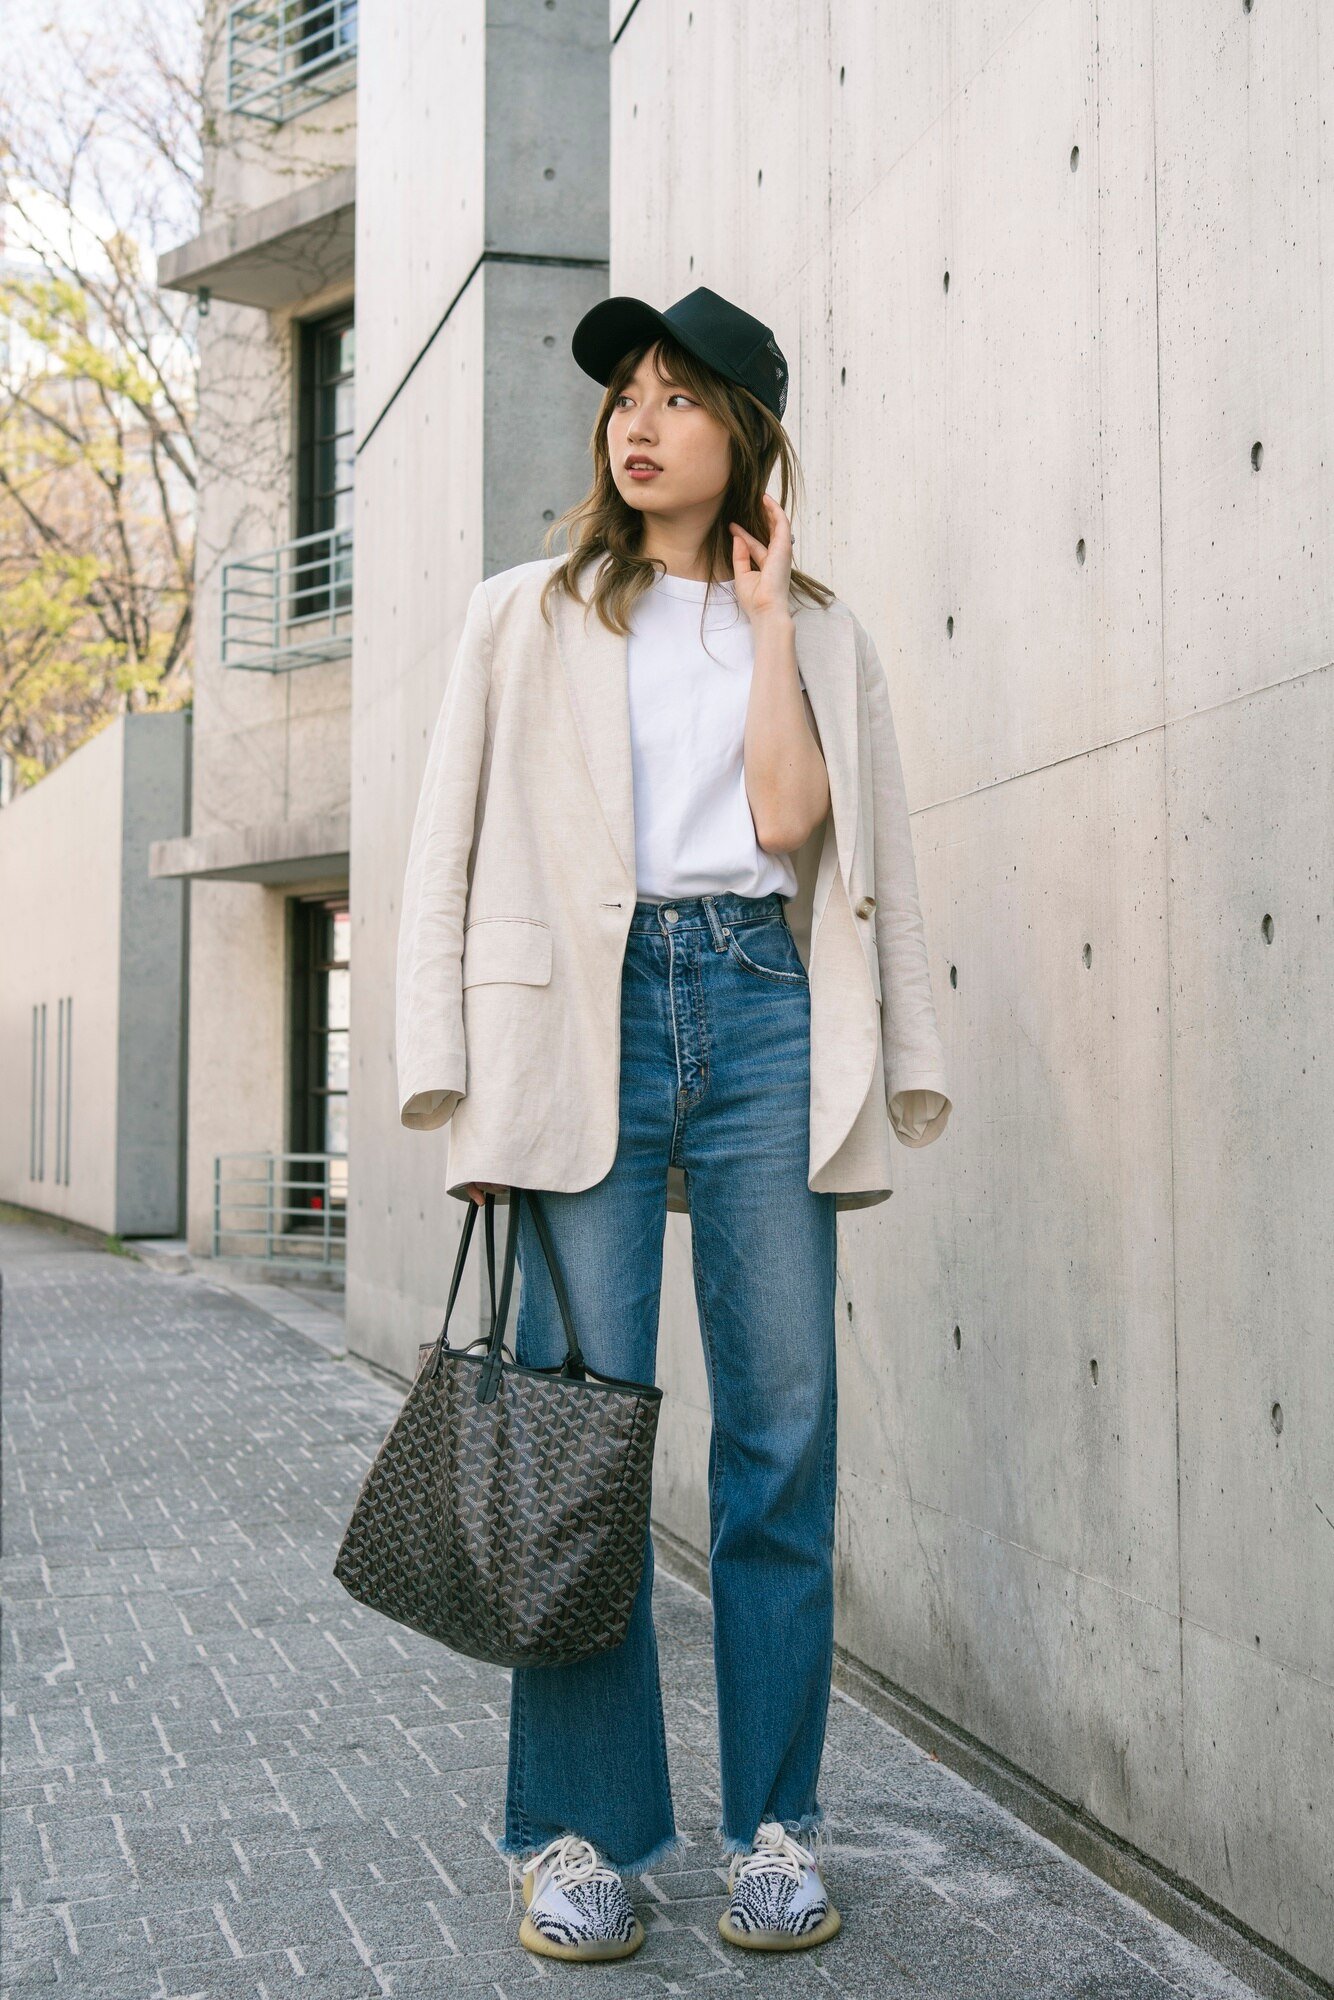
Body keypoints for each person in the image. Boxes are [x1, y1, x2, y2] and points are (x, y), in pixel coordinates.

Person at [394, 285, 953, 1962]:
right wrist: (458, 1085)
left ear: (743, 432)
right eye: (623, 396)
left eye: (676, 397)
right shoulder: (528, 610)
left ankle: (776, 1826)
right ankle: (576, 1836)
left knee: (781, 1436)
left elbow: (796, 828)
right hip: (585, 1021)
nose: (638, 422)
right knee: (584, 1436)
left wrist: (771, 623)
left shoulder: (823, 635)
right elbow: (446, 851)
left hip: (761, 1007)